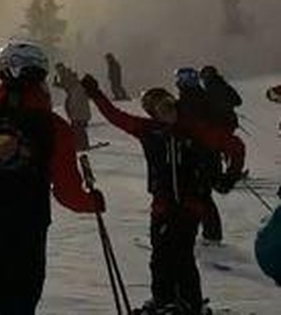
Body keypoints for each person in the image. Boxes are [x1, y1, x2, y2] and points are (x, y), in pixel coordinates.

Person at [0, 40, 103, 315]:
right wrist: (90, 202)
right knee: (23, 294)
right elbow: (66, 189)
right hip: (28, 221)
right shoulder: (52, 125)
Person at [81, 77, 245, 314]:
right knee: (160, 254)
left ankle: (190, 302)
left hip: (191, 202)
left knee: (181, 253)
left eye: (169, 104)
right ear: (152, 112)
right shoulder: (149, 131)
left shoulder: (195, 128)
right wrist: (96, 94)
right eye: (159, 108)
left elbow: (235, 145)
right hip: (162, 204)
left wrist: (231, 174)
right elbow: (116, 117)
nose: (167, 111)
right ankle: (163, 300)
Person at [175, 67, 226, 245]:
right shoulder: (199, 97)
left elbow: (190, 127)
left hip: (200, 156)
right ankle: (209, 232)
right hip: (205, 154)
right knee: (200, 195)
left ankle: (211, 234)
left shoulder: (190, 100)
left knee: (200, 195)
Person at [53, 63, 93, 149]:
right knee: (77, 125)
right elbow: (67, 85)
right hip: (75, 98)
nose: (58, 71)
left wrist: (58, 84)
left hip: (76, 99)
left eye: (59, 69)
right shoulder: (66, 75)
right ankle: (82, 144)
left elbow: (69, 84)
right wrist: (57, 84)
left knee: (77, 124)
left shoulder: (67, 75)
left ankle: (81, 144)